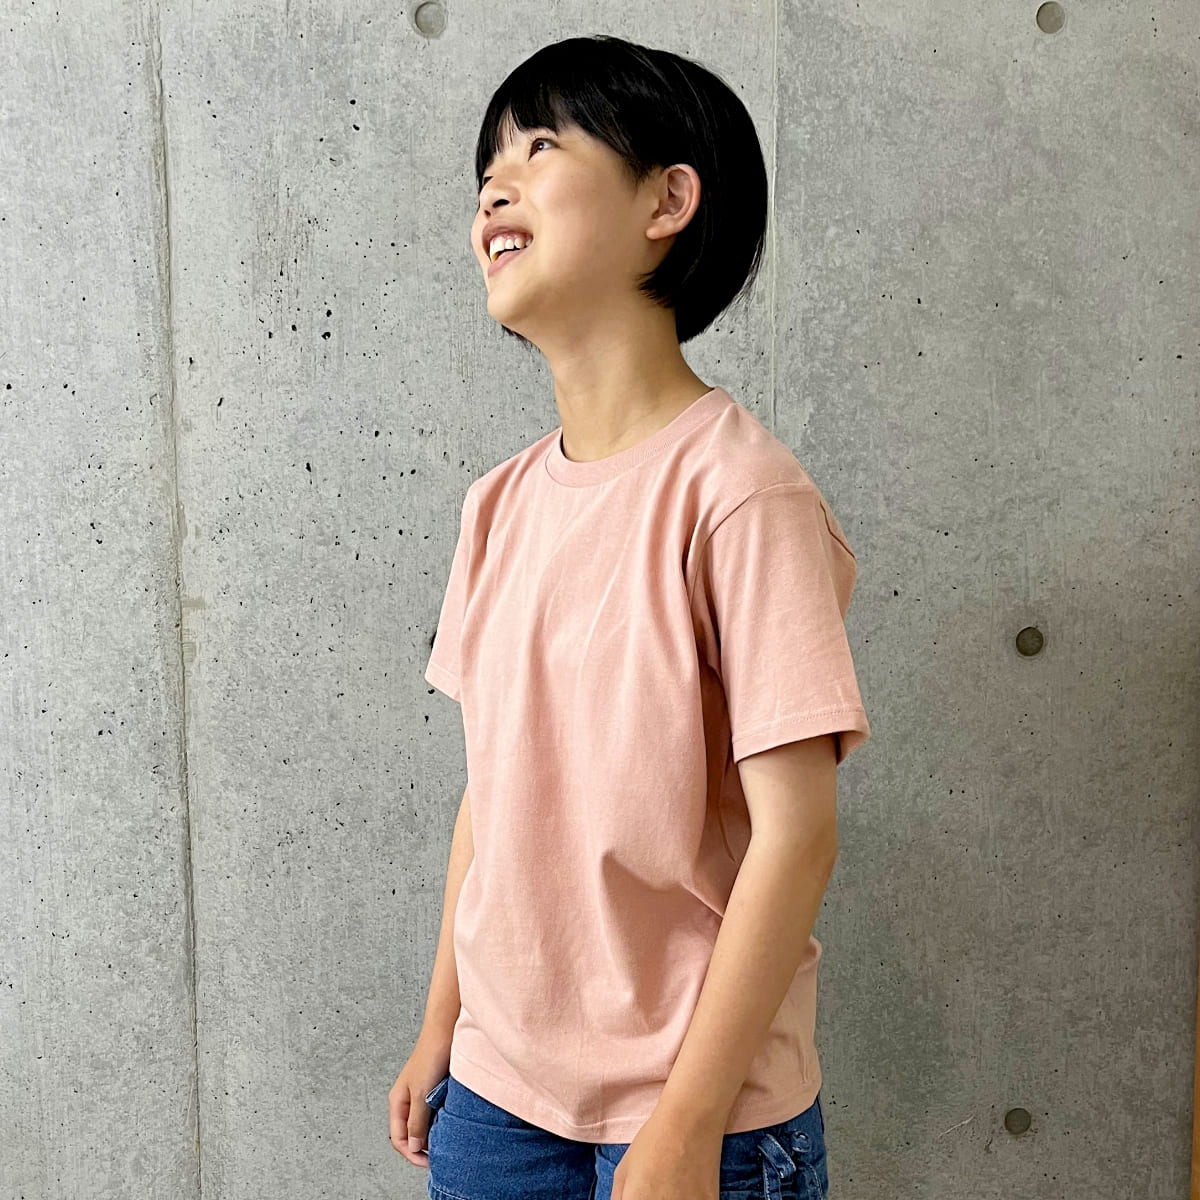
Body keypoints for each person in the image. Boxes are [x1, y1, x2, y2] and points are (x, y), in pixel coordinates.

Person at [388, 34, 870, 1200]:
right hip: (497, 1095)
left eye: (540, 149)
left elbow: (798, 834)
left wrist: (687, 1125)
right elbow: (495, 794)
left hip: (697, 1109)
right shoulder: (498, 504)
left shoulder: (740, 493)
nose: (494, 190)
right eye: (487, 171)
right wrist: (440, 1024)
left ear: (668, 200)